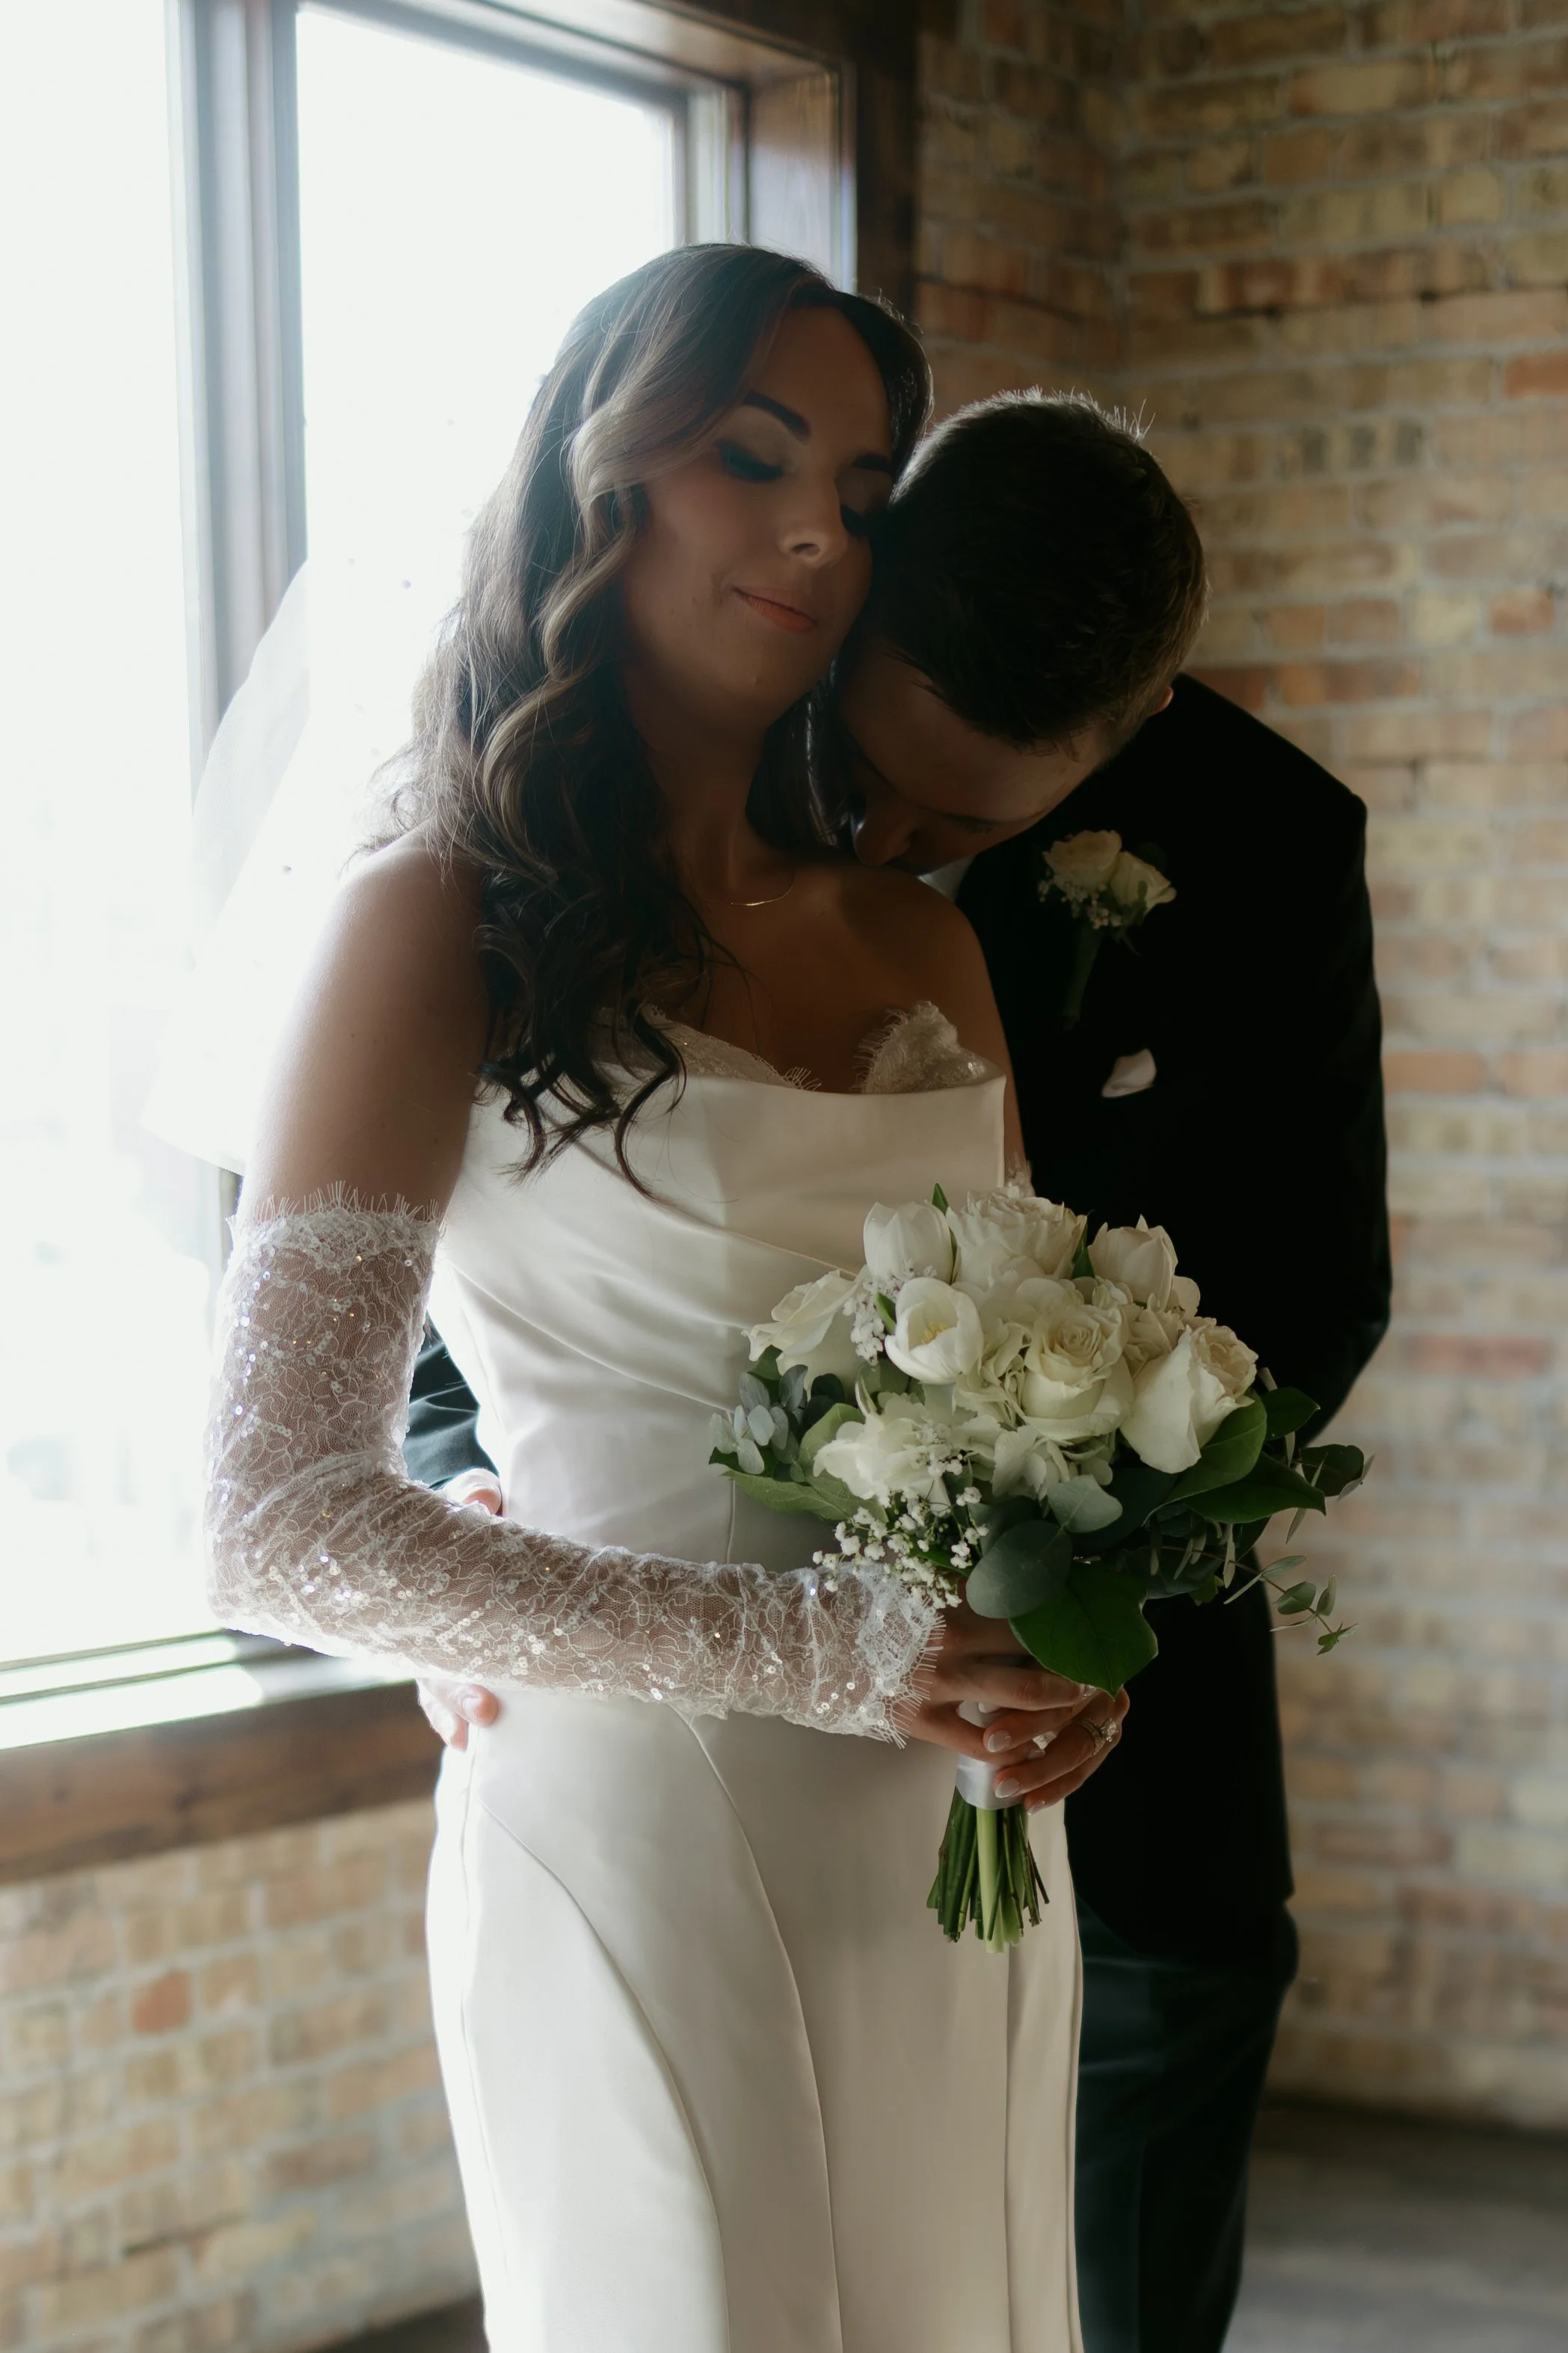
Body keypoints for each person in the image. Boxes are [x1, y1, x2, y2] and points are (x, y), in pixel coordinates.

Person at [200, 246, 1137, 2353]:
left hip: (955, 1844)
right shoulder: (431, 923)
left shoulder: (925, 948)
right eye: (754, 458)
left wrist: (1077, 1653)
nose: (816, 534)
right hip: (647, 1824)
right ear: (598, 471)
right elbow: (276, 1521)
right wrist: (820, 1650)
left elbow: (1029, 1411)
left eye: (864, 495)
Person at [411, 390, 1389, 2353]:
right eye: (872, 778)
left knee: (1093, 2239)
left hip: (1104, 1685)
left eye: (962, 828)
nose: (886, 843)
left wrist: (1088, 1567)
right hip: (707, 1699)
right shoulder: (700, 786)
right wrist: (457, 1517)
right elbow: (514, 1221)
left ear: (1129, 732)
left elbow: (1310, 1286)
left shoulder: (1274, 843)